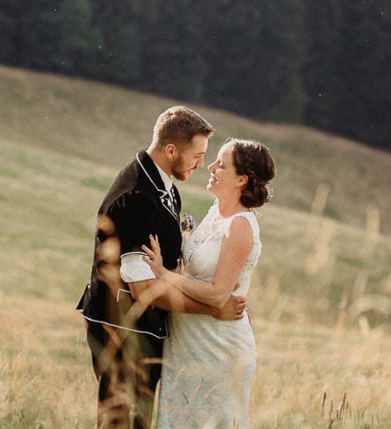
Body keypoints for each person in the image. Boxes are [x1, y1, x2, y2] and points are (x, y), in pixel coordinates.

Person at [77, 106, 247, 429]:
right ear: (171, 150)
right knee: (118, 421)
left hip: (144, 329)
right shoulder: (137, 197)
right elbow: (142, 289)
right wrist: (212, 309)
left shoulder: (163, 185)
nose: (201, 164)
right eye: (196, 156)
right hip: (122, 329)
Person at [142, 137, 276, 429]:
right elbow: (195, 272)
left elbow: (217, 295)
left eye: (221, 165)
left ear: (241, 179)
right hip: (188, 344)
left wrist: (165, 276)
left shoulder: (239, 225)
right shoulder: (216, 213)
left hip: (218, 348)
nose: (211, 167)